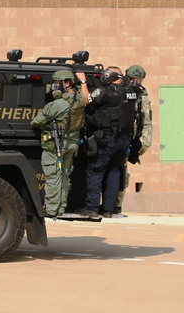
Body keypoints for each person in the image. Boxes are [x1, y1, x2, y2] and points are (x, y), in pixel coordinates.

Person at [76, 66, 138, 218]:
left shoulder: (106, 92)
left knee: (96, 171)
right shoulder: (130, 92)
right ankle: (108, 209)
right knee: (114, 172)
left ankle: (92, 208)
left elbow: (86, 101)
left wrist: (83, 82)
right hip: (123, 139)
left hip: (107, 139)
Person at [31, 69, 85, 218]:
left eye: (56, 83)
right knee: (64, 176)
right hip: (72, 144)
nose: (54, 86)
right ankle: (61, 207)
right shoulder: (79, 99)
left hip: (56, 145)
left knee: (52, 176)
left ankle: (51, 209)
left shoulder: (59, 104)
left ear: (66, 83)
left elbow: (37, 121)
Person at [114, 64, 153, 216]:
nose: (134, 82)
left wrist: (146, 142)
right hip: (114, 136)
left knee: (123, 172)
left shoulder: (142, 97)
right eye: (131, 78)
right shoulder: (119, 91)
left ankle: (116, 204)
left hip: (129, 139)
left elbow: (147, 121)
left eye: (137, 79)